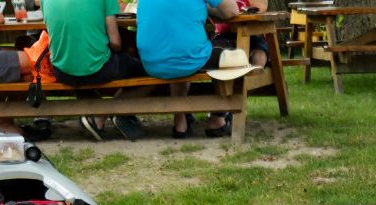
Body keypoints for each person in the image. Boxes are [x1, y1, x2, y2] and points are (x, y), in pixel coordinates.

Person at [40, 0, 146, 141]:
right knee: (147, 72)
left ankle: (97, 115)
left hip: (62, 71)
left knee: (80, 66)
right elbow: (115, 42)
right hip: (99, 69)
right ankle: (106, 112)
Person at [135, 0, 241, 138]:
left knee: (180, 48)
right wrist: (208, 8)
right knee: (232, 50)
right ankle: (218, 118)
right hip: (189, 59)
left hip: (151, 62)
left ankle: (180, 122)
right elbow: (232, 11)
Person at [205, 0, 266, 138]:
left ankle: (230, 108)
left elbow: (261, 7)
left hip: (253, 32)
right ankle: (221, 113)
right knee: (220, 58)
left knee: (259, 57)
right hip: (223, 34)